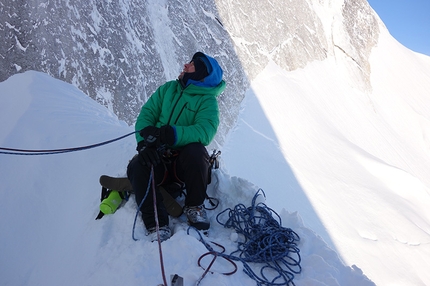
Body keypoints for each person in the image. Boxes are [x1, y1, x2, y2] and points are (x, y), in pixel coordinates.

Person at [127, 52, 225, 242]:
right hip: (159, 156)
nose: (186, 65)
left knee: (197, 152)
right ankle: (156, 222)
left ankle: (194, 206)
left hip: (183, 163)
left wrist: (173, 134)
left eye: (192, 65)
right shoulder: (168, 89)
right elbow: (147, 115)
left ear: (201, 75)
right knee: (138, 166)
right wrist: (144, 143)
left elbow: (205, 131)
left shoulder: (207, 101)